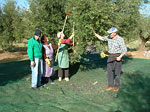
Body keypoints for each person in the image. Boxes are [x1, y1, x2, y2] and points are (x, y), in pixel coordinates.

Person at [94, 27, 127, 92]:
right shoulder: (109, 37)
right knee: (109, 72)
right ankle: (110, 86)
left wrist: (120, 57)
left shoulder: (120, 39)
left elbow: (124, 50)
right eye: (109, 33)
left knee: (117, 72)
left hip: (117, 56)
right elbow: (102, 38)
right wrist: (96, 34)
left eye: (110, 33)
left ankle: (117, 86)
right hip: (110, 56)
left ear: (115, 33)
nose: (109, 34)